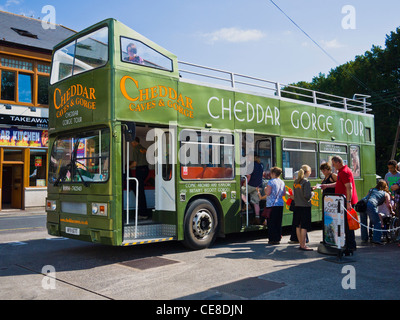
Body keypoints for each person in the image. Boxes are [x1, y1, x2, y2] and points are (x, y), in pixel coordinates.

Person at [321, 155, 358, 252]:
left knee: (347, 225)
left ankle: (350, 245)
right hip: (343, 201)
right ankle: (348, 244)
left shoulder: (345, 172)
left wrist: (348, 202)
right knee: (344, 224)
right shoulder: (341, 172)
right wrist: (326, 186)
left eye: (333, 164)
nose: (333, 166)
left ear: (338, 163)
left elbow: (349, 187)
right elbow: (339, 184)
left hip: (345, 202)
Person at [257, 167, 286, 244]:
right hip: (280, 204)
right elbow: (284, 193)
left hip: (271, 204)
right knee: (278, 222)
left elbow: (268, 193)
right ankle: (278, 238)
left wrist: (265, 189)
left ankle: (272, 239)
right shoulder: (282, 182)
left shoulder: (270, 182)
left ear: (273, 173)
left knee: (271, 222)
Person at [360, 180, 393, 245]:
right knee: (377, 222)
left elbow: (367, 197)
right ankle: (376, 239)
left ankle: (364, 238)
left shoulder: (371, 190)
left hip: (362, 204)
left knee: (363, 222)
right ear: (385, 186)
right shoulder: (385, 194)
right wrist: (391, 211)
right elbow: (388, 204)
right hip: (371, 205)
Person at [290, 165, 313, 251]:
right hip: (305, 206)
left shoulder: (296, 181)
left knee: (298, 225)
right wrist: (312, 194)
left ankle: (300, 244)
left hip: (297, 206)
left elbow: (296, 194)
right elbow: (307, 196)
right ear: (307, 172)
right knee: (304, 226)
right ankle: (303, 245)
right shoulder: (306, 182)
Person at [129, 137, 149, 219]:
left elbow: (134, 164)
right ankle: (143, 213)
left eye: (131, 142)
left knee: (140, 192)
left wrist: (127, 167)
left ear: (134, 142)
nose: (131, 144)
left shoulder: (135, 149)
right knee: (140, 191)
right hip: (146, 170)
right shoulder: (144, 149)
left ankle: (143, 214)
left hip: (140, 170)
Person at [241, 153, 263, 222]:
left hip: (251, 185)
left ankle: (246, 204)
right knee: (256, 203)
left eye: (249, 156)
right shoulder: (260, 165)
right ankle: (257, 217)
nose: (248, 158)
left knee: (240, 192)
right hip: (258, 186)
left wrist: (245, 184)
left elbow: (248, 176)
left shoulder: (251, 164)